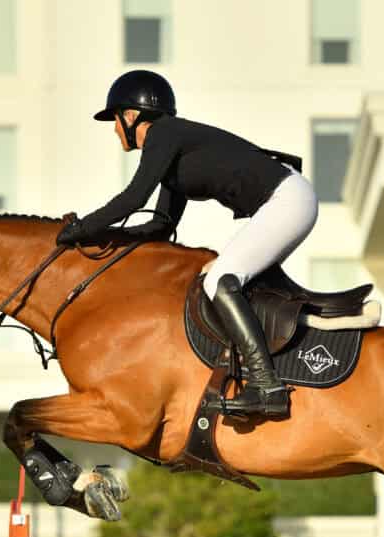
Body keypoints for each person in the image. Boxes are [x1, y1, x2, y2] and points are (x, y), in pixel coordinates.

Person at [56, 70, 319, 419]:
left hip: (287, 200)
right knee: (232, 280)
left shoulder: (163, 134)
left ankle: (266, 385)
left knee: (220, 279)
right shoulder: (171, 148)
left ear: (131, 116)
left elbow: (134, 198)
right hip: (285, 200)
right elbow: (160, 226)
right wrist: (110, 239)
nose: (115, 129)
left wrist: (81, 229)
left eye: (115, 120)